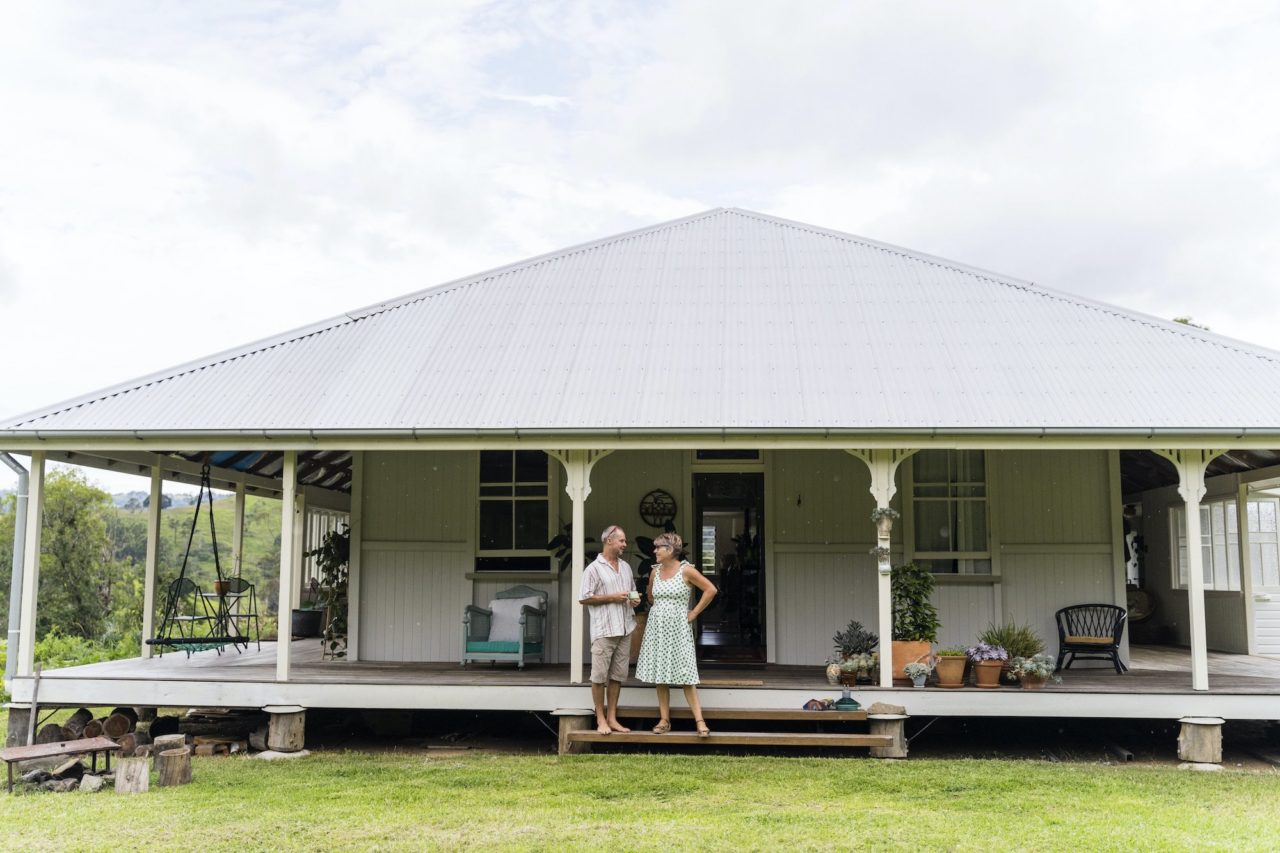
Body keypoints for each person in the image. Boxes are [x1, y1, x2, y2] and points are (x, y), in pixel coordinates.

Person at [634, 531, 718, 736]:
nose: (654, 551)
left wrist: (694, 612)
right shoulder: (655, 572)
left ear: (670, 550)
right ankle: (664, 720)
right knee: (660, 674)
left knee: (686, 673)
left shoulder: (686, 570)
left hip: (678, 628)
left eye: (658, 547)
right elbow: (651, 597)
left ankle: (700, 721)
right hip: (657, 628)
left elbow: (710, 589)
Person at [579, 524, 640, 735]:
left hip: (625, 628)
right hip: (604, 630)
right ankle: (600, 719)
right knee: (599, 677)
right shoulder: (593, 569)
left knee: (617, 676)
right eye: (622, 541)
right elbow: (584, 598)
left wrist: (634, 600)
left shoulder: (626, 567)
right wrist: (612, 597)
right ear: (609, 541)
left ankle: (612, 718)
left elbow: (631, 591)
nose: (625, 544)